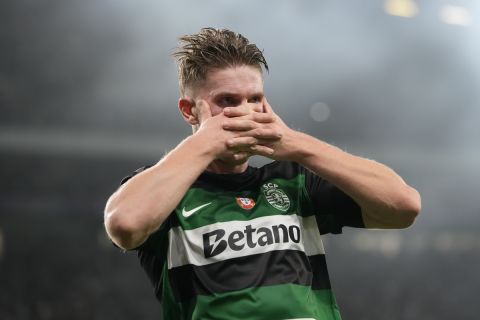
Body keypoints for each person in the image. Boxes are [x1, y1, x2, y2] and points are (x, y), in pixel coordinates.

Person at [104, 28, 421, 320]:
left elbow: (403, 206)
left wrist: (296, 144)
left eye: (254, 99)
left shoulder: (294, 181)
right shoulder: (167, 189)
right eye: (227, 101)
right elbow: (125, 225)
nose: (245, 112)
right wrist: (204, 142)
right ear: (189, 110)